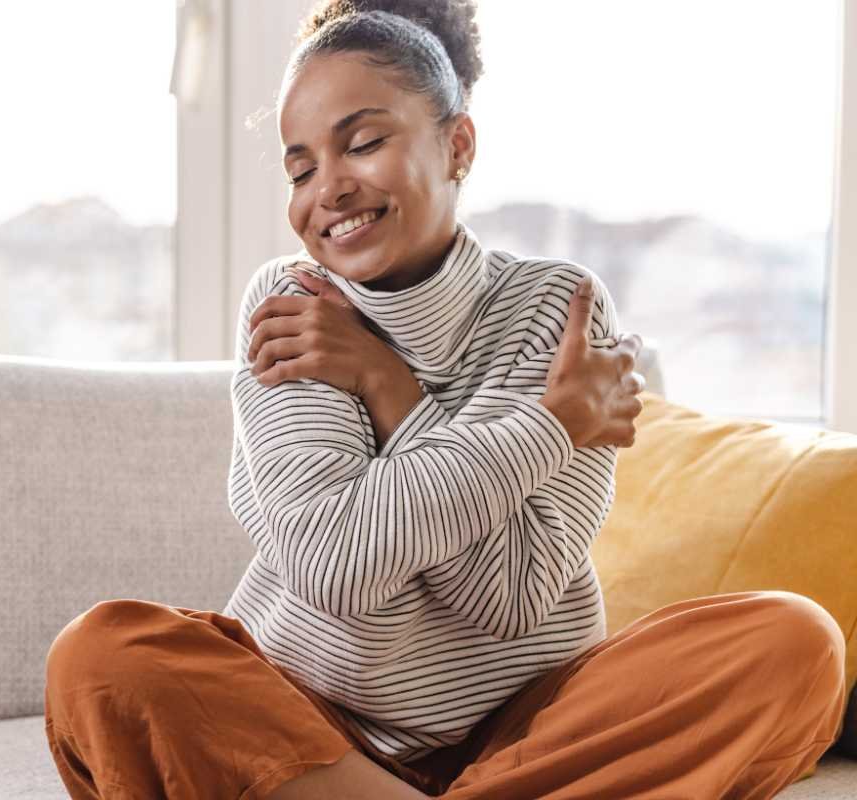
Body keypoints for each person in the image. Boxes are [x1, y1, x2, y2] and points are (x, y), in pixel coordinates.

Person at [44, 2, 847, 797]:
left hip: (526, 729)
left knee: (794, 643)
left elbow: (512, 597)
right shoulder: (292, 303)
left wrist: (389, 387)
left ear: (456, 144)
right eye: (300, 168)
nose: (328, 189)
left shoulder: (556, 308)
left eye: (361, 143)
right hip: (311, 728)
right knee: (104, 659)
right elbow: (335, 567)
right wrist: (550, 427)